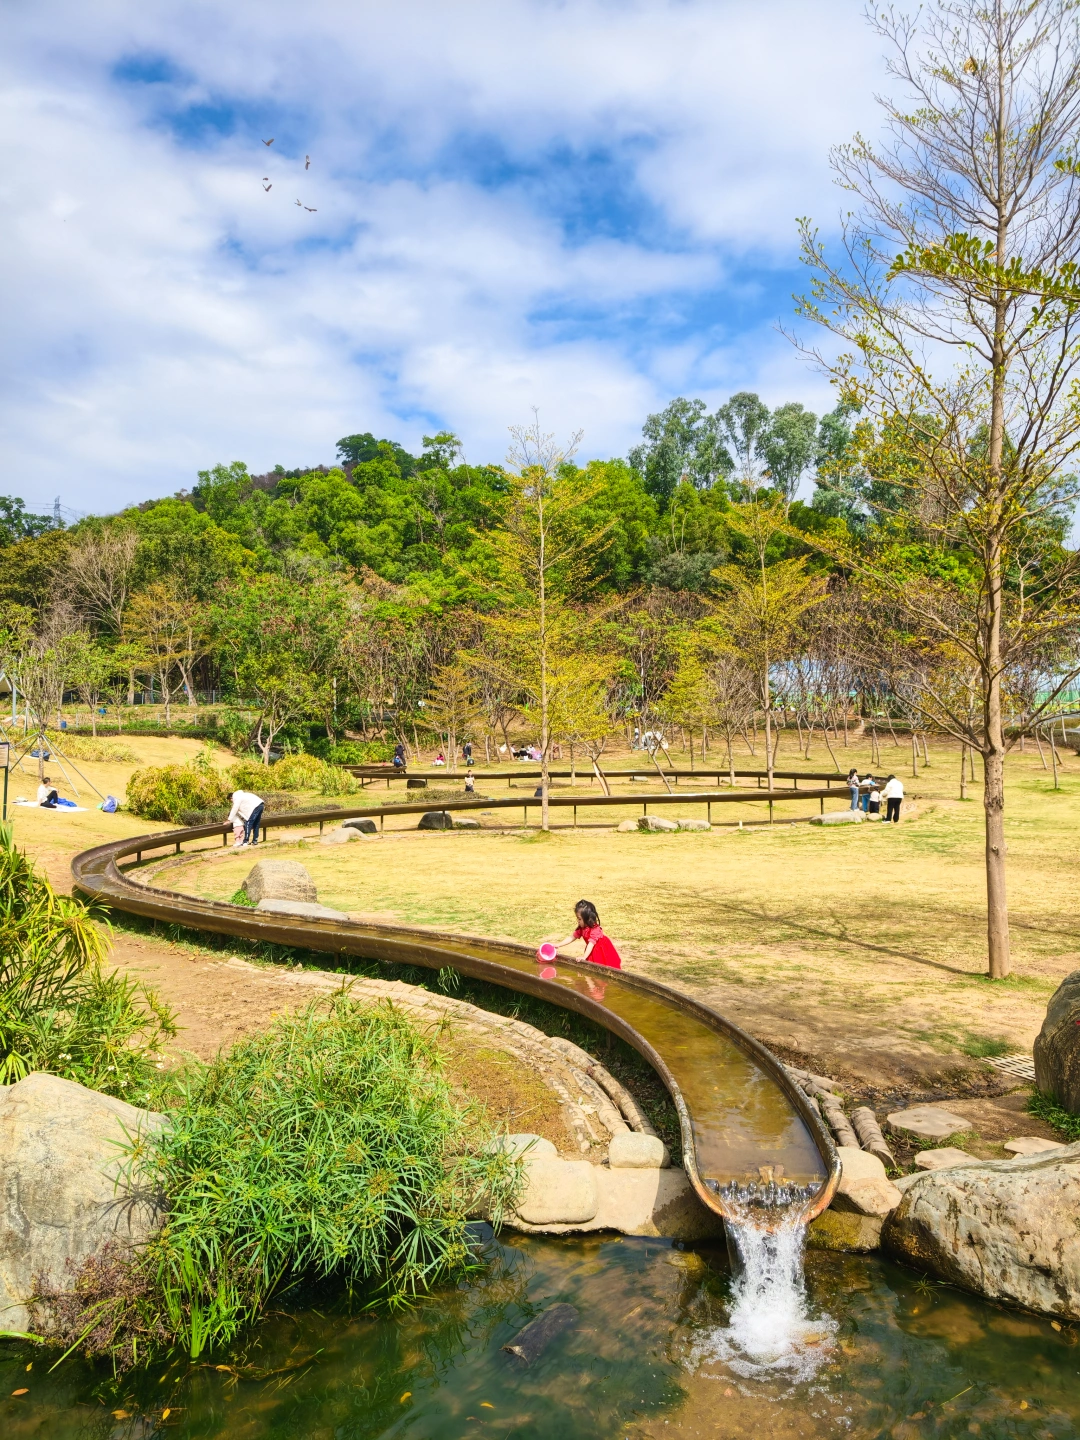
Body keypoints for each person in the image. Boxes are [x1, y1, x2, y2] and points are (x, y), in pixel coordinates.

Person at [547, 900, 623, 970]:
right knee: (592, 969)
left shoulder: (595, 929)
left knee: (605, 966)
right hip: (591, 950)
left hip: (602, 950)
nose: (578, 921)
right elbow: (572, 937)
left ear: (587, 919)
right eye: (577, 918)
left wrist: (584, 957)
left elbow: (591, 944)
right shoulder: (582, 928)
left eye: (579, 919)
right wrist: (559, 944)